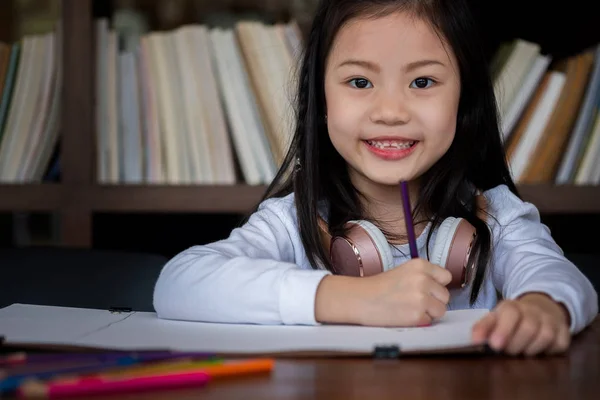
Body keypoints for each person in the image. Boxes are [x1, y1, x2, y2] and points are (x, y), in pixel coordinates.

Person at [153, 0, 598, 356]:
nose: (390, 112)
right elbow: (179, 283)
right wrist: (347, 298)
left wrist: (545, 305)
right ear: (321, 99)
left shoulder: (495, 214)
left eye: (422, 82)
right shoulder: (294, 220)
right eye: (360, 82)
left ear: (464, 102)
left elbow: (559, 277)